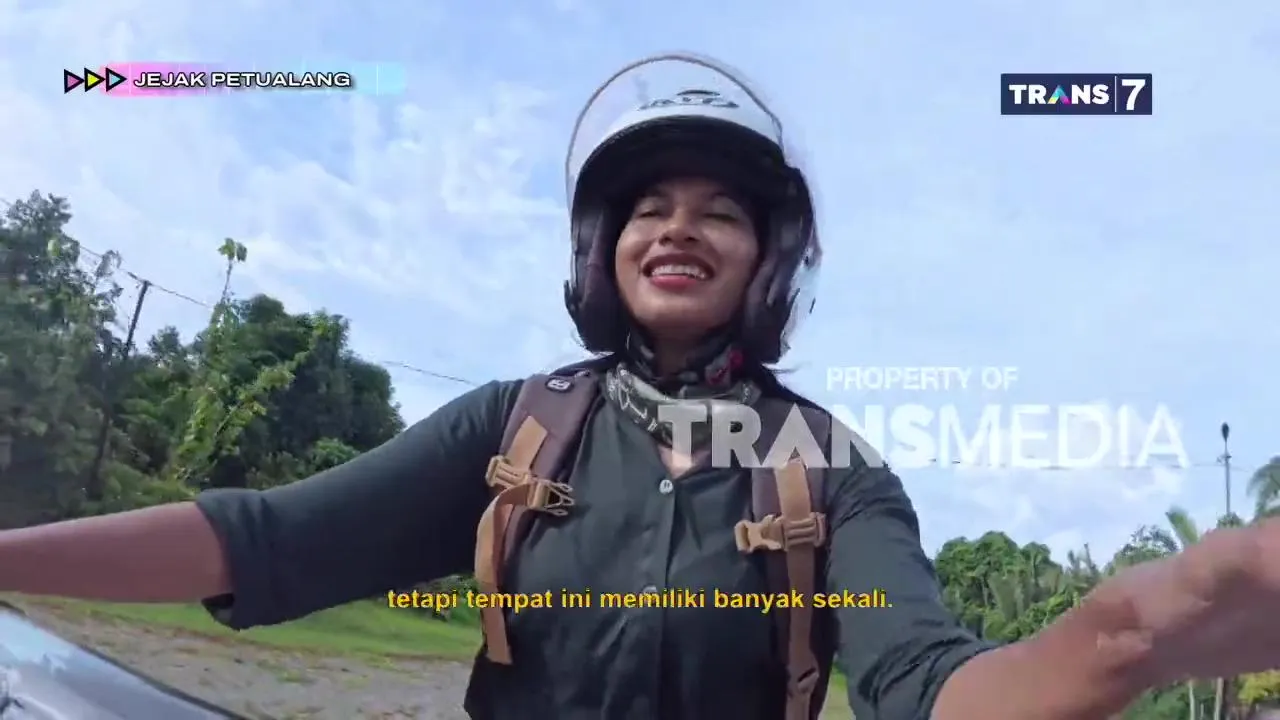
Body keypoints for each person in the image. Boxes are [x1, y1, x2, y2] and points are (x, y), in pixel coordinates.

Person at [2, 52, 1280, 720]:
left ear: (768, 260)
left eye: (719, 210)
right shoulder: (513, 428)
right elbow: (261, 539)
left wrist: (1109, 646)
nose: (677, 228)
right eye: (648, 206)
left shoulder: (829, 470)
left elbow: (924, 682)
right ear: (601, 248)